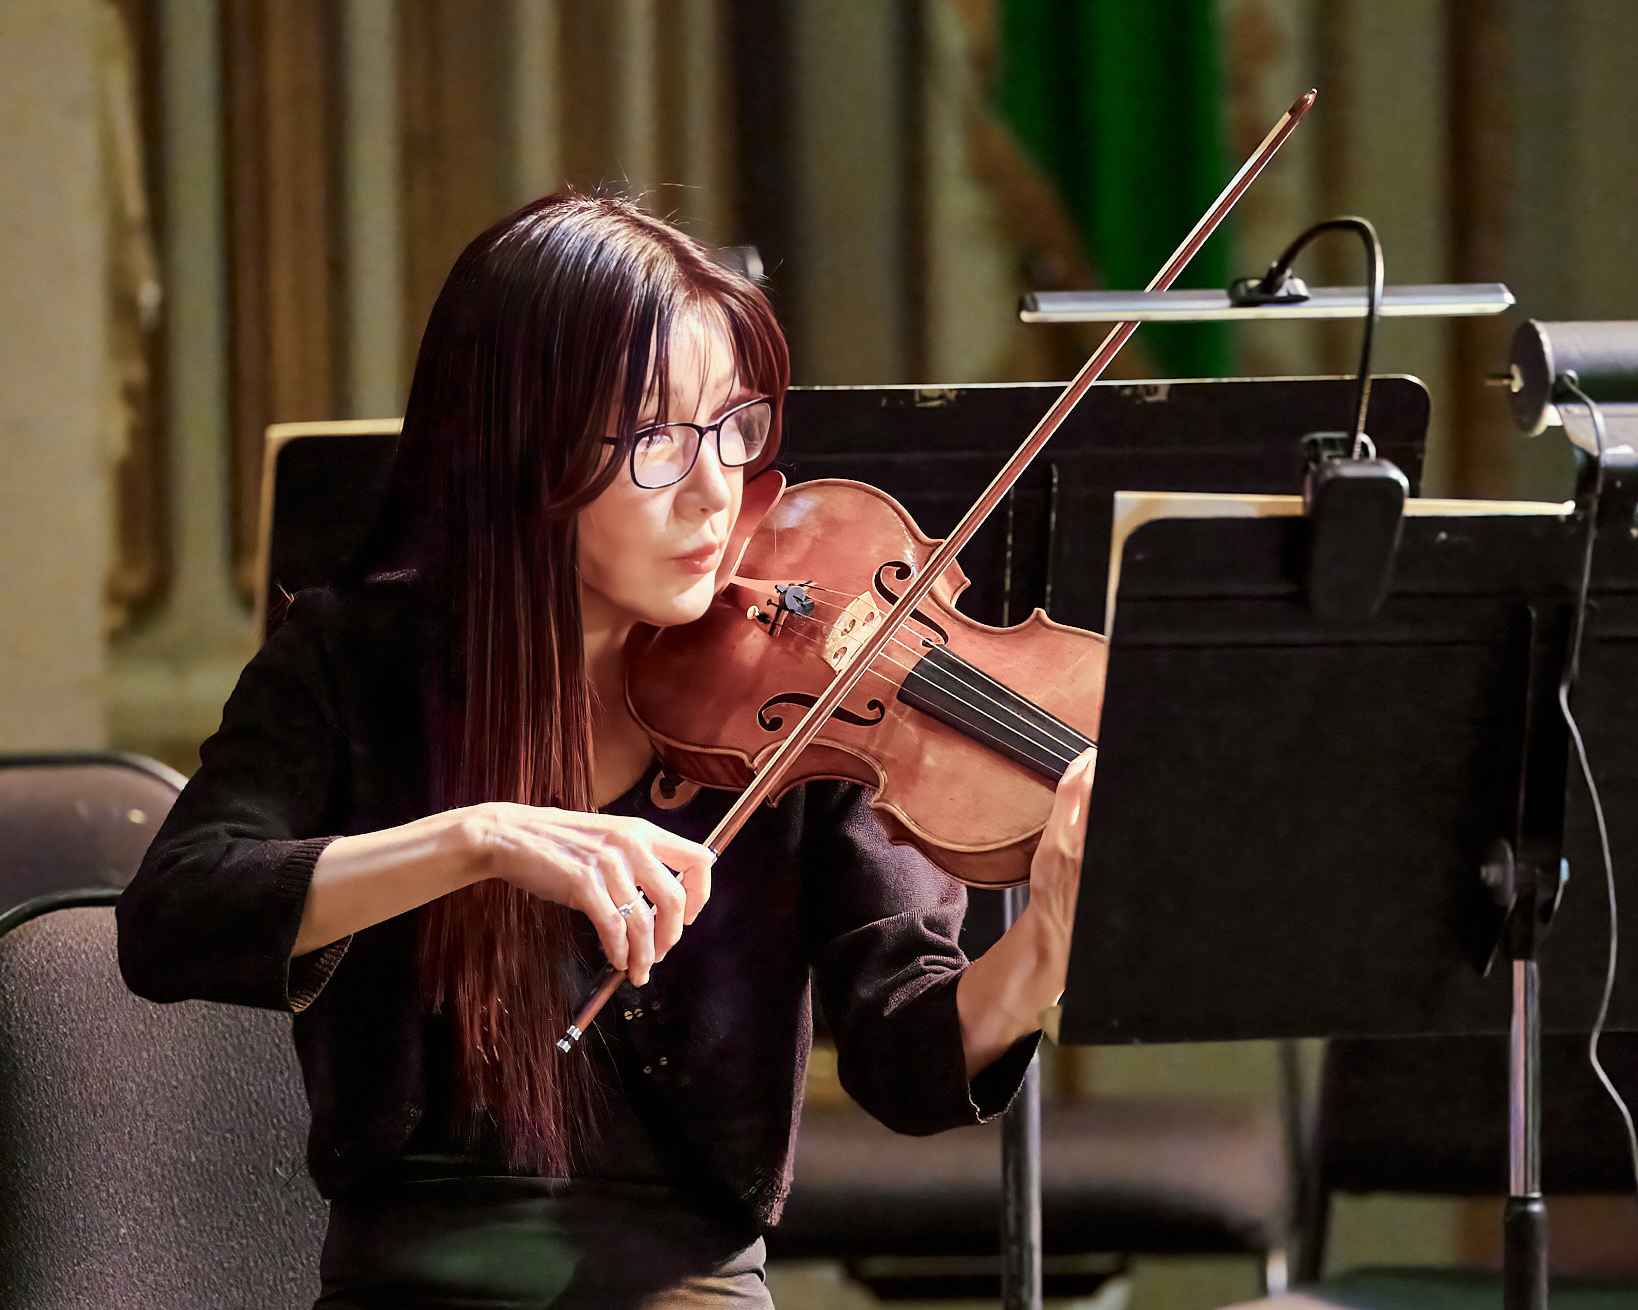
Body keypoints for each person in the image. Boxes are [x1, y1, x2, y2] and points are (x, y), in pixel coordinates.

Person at [116, 192, 1095, 1309]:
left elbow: (905, 1057)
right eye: (656, 440)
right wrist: (475, 838)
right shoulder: (355, 661)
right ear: (520, 443)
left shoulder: (802, 695)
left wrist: (1038, 955)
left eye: (733, 427)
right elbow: (173, 917)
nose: (716, 489)